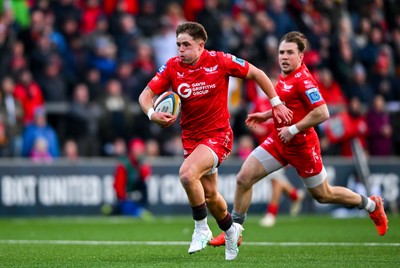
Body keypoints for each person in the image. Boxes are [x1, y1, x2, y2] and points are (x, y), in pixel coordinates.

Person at [209, 31, 388, 251]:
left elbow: (322, 113)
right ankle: (233, 231)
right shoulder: (284, 76)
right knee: (243, 178)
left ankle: (371, 204)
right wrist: (267, 115)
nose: (284, 57)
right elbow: (290, 106)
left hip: (303, 146)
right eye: (281, 52)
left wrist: (293, 129)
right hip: (279, 141)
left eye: (290, 53)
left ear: (301, 56)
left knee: (324, 195)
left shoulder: (304, 80)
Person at [138, 22, 292, 261]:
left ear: (201, 46)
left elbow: (257, 73)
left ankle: (201, 228)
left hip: (218, 136)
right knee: (210, 196)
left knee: (187, 175)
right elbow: (145, 95)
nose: (180, 49)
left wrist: (276, 102)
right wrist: (151, 114)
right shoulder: (172, 67)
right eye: (178, 44)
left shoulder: (220, 61)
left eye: (186, 45)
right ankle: (231, 230)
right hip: (192, 140)